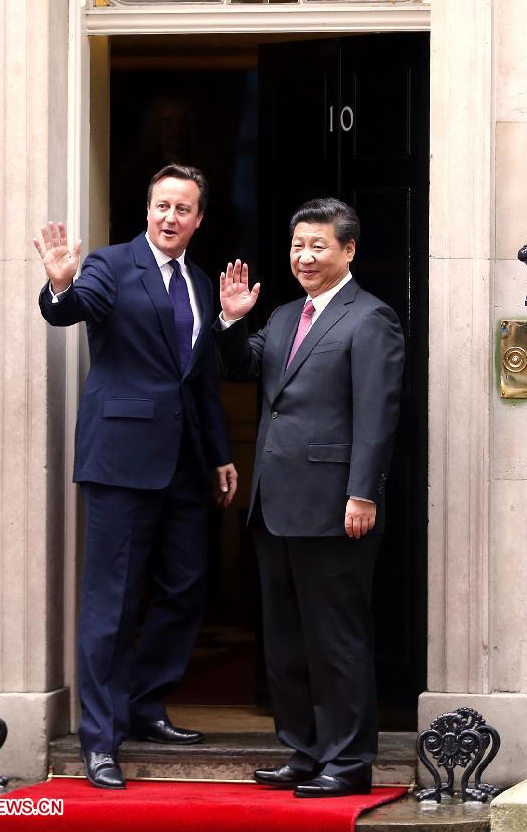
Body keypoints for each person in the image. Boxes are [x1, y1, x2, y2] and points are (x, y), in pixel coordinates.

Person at [34, 164, 237, 790]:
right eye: (161, 206)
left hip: (183, 462)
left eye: (183, 209)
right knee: (111, 602)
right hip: (121, 460)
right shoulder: (109, 265)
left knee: (186, 588)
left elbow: (199, 380)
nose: (170, 218)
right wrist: (60, 286)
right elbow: (72, 309)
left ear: (199, 219)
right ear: (146, 210)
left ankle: (145, 704)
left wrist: (221, 454)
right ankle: (101, 739)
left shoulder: (201, 283)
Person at [215, 197, 404, 798]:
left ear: (348, 250)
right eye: (299, 245)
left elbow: (378, 413)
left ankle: (348, 762)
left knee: (336, 638)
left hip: (335, 506)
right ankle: (303, 750)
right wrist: (232, 321)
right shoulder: (284, 314)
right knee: (287, 636)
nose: (305, 256)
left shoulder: (369, 318)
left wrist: (363, 494)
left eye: (318, 245)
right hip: (275, 504)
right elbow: (241, 370)